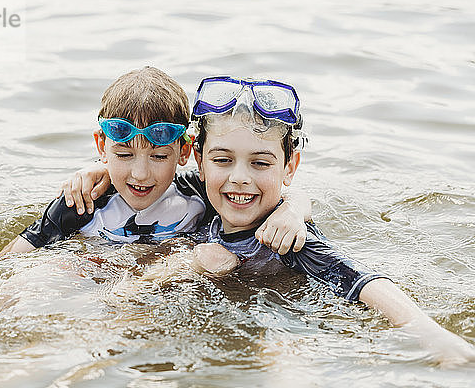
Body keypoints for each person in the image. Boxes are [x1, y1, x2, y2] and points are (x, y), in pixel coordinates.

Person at [64, 75, 475, 366]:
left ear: (289, 166)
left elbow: (360, 279)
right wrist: (99, 171)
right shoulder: (204, 201)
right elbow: (147, 175)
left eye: (260, 163)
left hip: (285, 326)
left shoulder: (284, 235)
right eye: (223, 160)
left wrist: (432, 334)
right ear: (200, 162)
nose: (239, 178)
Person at [0, 67, 310, 269]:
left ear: (184, 151)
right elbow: (9, 260)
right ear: (102, 147)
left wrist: (292, 211)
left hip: (156, 288)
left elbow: (275, 195)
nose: (140, 174)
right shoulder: (83, 202)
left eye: (158, 156)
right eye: (124, 155)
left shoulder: (200, 194)